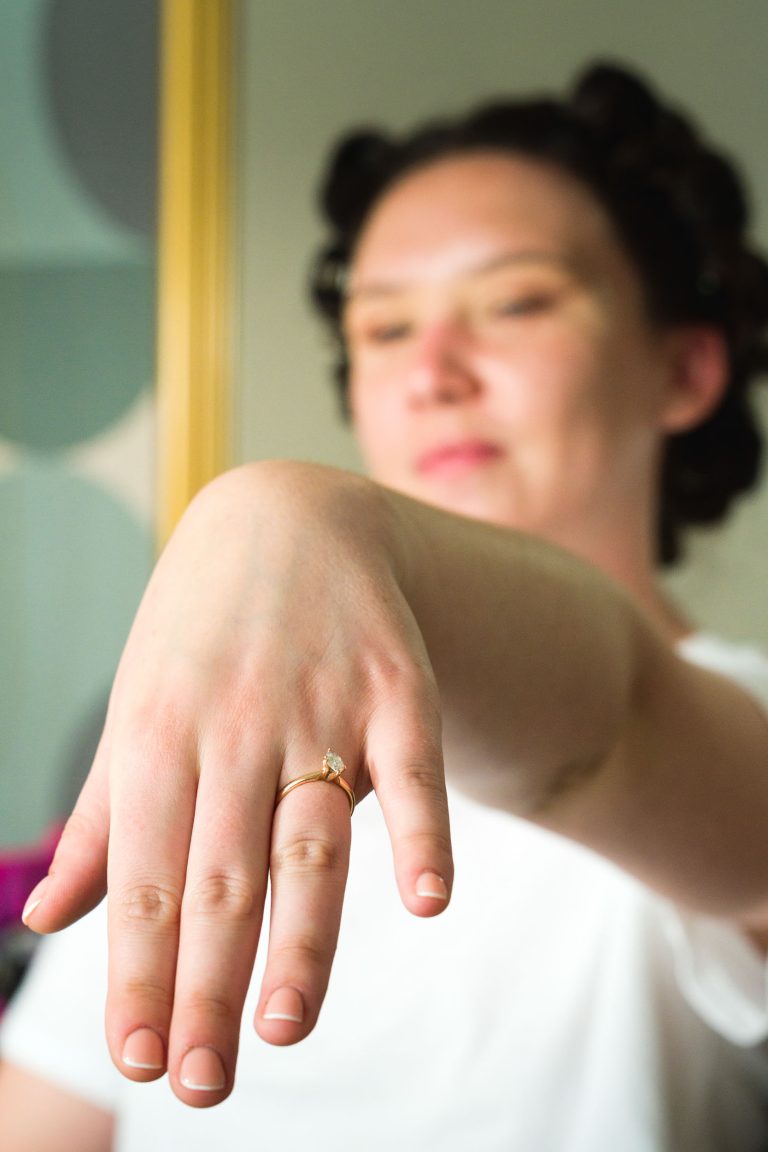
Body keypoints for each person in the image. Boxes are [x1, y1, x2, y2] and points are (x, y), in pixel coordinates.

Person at [2, 60, 768, 1151]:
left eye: (515, 302)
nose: (434, 372)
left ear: (686, 372)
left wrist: (294, 515)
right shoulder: (235, 741)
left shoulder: (742, 731)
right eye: (385, 328)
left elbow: (620, 722)